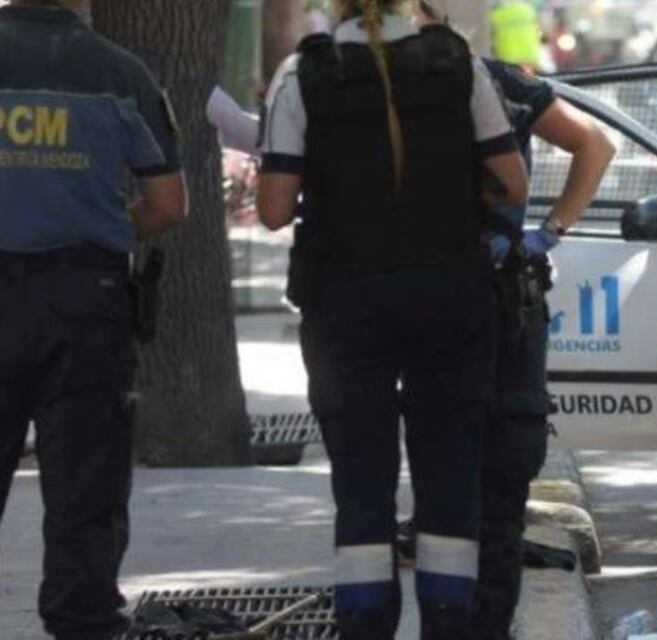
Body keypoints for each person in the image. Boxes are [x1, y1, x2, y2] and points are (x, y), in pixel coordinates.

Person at [255, 0, 528, 638]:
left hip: (346, 310)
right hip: (451, 304)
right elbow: (513, 183)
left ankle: (365, 624)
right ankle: (450, 624)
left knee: (361, 486)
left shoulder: (304, 74)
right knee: (451, 479)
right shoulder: (458, 64)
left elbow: (273, 210)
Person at [418, 3, 616, 638]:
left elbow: (595, 143)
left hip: (494, 304)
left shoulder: (495, 81)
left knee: (493, 485)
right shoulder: (385, 94)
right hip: (446, 308)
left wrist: (548, 233)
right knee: (462, 491)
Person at [0, 1, 187, 639]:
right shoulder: (121, 73)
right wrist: (99, 224)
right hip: (86, 301)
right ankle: (81, 621)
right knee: (86, 486)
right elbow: (167, 205)